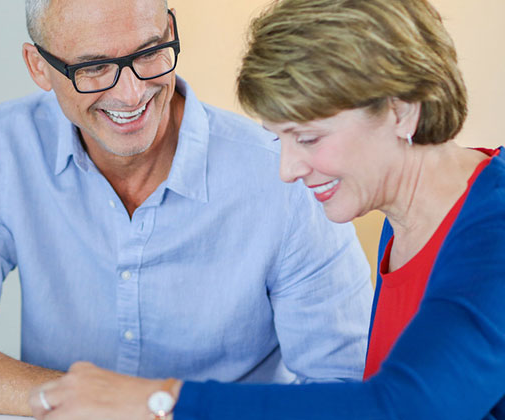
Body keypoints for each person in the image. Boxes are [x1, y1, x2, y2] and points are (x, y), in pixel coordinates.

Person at [0, 0, 374, 416]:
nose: (131, 92)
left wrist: (150, 406)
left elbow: (347, 395)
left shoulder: (282, 176)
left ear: (172, 31)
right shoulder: (2, 147)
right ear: (39, 68)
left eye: (149, 53)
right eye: (93, 67)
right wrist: (71, 401)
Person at [29, 0, 505, 418]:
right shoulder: (411, 220)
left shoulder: (493, 226)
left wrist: (158, 400)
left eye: (309, 138)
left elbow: (403, 408)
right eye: (280, 139)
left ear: (402, 110)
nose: (287, 169)